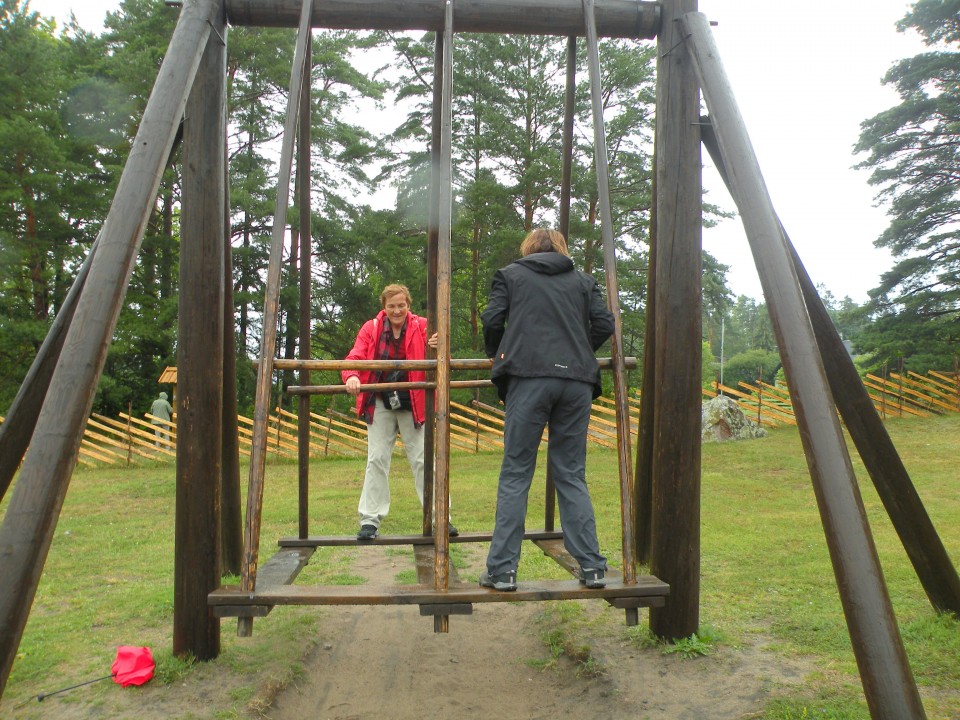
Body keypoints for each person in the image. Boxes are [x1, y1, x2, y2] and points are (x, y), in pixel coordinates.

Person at [479, 228, 614, 591]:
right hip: (576, 382)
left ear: (528, 249)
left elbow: (492, 320)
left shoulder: (510, 276)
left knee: (516, 472)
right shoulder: (583, 282)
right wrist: (575, 350)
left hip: (528, 378)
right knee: (571, 472)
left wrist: (496, 354)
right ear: (561, 248)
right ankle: (593, 566)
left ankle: (503, 570)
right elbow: (605, 323)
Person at [342, 283, 458, 540]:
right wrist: (350, 376)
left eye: (401, 305)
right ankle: (370, 521)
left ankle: (441, 517)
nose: (397, 311)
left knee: (424, 459)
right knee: (377, 459)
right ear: (384, 307)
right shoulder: (371, 328)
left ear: (409, 305)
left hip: (414, 400)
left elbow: (443, 357)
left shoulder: (423, 326)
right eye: (392, 306)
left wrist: (438, 346)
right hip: (381, 400)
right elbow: (355, 357)